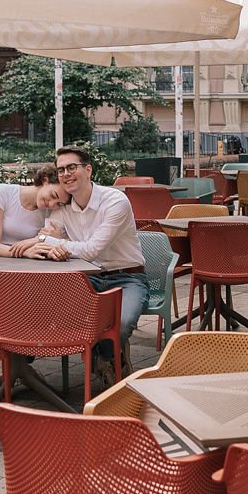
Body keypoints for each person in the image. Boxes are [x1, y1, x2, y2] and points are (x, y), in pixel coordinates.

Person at [30, 146, 150, 387]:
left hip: (127, 277)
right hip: (86, 278)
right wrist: (52, 244)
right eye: (61, 169)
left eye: (71, 167)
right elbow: (46, 237)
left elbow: (92, 249)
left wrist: (52, 241)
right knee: (50, 313)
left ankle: (103, 356)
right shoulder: (62, 208)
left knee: (122, 322)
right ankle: (109, 355)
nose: (65, 174)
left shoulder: (115, 201)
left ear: (88, 169)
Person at [0, 166, 68, 256]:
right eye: (53, 195)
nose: (51, 204)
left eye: (59, 204)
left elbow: (71, 240)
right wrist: (25, 252)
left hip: (25, 262)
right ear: (45, 180)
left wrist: (58, 238)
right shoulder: (3, 192)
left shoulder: (51, 211)